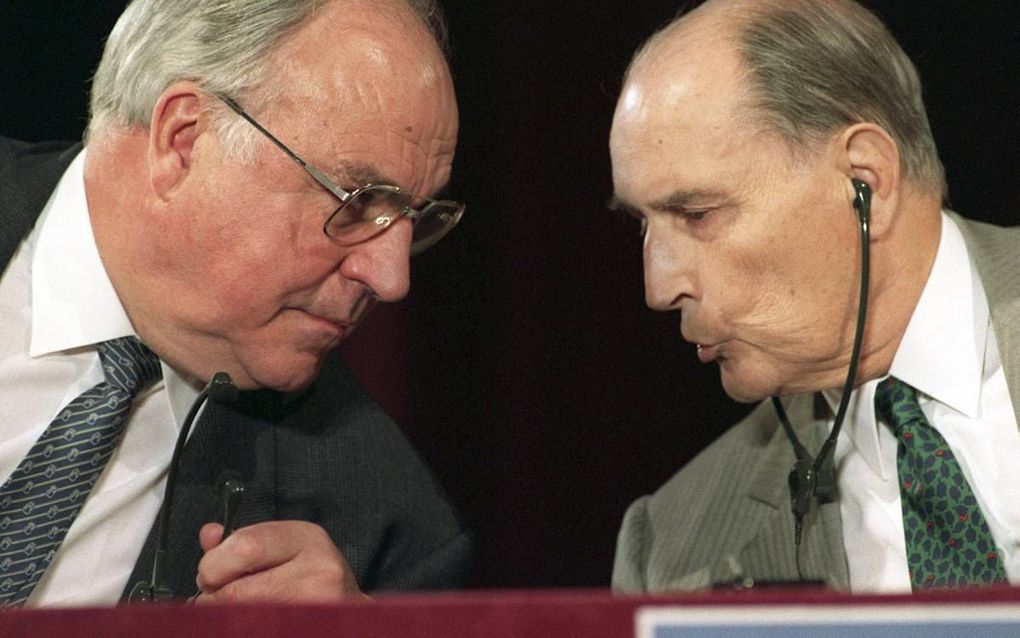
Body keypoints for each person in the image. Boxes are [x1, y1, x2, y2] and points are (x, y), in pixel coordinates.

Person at [0, 0, 470, 607]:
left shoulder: (382, 526)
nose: (391, 277)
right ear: (184, 140)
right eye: (356, 202)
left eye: (415, 218)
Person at [609, 0, 1020, 593]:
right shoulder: (670, 554)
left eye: (696, 213)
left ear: (865, 184)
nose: (659, 287)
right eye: (643, 226)